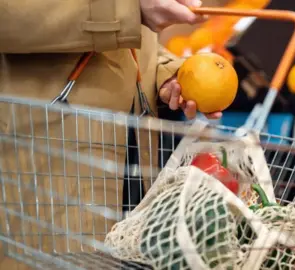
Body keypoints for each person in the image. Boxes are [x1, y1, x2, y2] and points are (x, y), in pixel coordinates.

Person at [0, 0, 222, 268]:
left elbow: (131, 45)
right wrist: (127, 9)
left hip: (130, 159)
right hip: (49, 154)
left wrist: (167, 72)